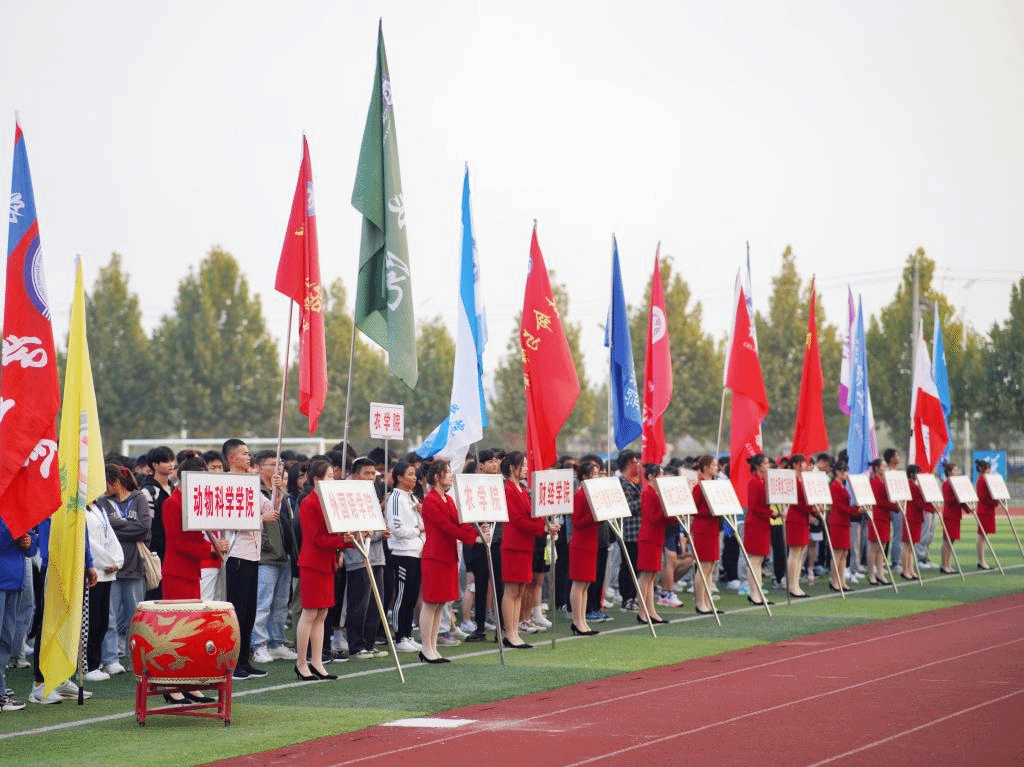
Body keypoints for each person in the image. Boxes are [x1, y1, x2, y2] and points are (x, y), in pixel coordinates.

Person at [161, 452, 229, 703]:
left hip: (191, 570)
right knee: (177, 630)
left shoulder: (191, 501)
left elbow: (196, 538)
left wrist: (212, 546)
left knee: (191, 630)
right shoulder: (173, 503)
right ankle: (172, 685)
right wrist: (209, 548)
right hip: (177, 571)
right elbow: (177, 543)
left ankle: (189, 682)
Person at [419, 460, 484, 662]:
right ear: (436, 476)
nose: (450, 476)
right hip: (435, 556)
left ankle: (432, 646)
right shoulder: (430, 500)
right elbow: (447, 527)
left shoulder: (447, 499)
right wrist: (473, 538)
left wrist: (477, 532)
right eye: (446, 472)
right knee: (431, 603)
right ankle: (426, 647)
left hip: (447, 555)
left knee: (440, 603)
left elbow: (458, 523)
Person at [295, 460, 352, 681]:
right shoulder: (309, 503)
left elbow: (334, 534)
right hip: (312, 563)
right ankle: (301, 663)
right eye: (329, 476)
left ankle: (317, 662)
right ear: (316, 479)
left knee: (322, 613)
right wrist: (343, 540)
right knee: (310, 612)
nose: (332, 479)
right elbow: (316, 538)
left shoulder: (329, 501)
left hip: (327, 562)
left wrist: (349, 539)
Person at [222, 438, 271, 680]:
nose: (248, 457)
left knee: (250, 611)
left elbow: (269, 508)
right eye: (243, 453)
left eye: (248, 453)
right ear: (231, 458)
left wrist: (275, 488)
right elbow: (231, 520)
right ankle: (232, 663)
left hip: (253, 553)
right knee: (238, 610)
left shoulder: (251, 482)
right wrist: (260, 519)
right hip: (237, 552)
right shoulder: (226, 483)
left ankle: (244, 659)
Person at [98, 464, 152, 676]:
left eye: (105, 482)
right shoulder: (102, 501)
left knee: (135, 618)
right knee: (109, 618)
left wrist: (115, 526)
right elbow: (102, 528)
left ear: (116, 482)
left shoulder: (138, 498)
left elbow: (144, 528)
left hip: (134, 567)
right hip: (109, 568)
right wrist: (128, 526)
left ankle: (135, 659)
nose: (102, 487)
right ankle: (110, 659)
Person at [252, 450, 298, 665]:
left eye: (280, 464)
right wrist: (265, 545)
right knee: (263, 602)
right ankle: (258, 644)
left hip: (284, 554)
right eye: (272, 464)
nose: (278, 467)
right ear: (260, 468)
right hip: (267, 555)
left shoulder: (282, 492)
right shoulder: (255, 490)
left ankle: (276, 641)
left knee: (280, 602)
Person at [500, 452, 551, 648]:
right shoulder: (508, 489)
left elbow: (532, 515)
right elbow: (517, 519)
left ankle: (515, 631)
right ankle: (510, 632)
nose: (526, 469)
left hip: (525, 544)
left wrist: (546, 526)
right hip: (513, 544)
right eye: (522, 466)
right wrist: (541, 528)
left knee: (521, 590)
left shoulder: (521, 489)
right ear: (512, 468)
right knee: (512, 590)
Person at [344, 457, 390, 660]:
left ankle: (369, 643)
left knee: (375, 603)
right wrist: (376, 533)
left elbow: (377, 527)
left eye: (373, 474)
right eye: (367, 473)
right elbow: (354, 532)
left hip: (377, 556)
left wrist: (381, 532)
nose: (371, 477)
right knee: (359, 604)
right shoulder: (347, 498)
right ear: (355, 475)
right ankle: (356, 645)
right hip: (358, 557)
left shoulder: (372, 496)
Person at [83, 493, 124, 682]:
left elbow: (111, 538)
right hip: (93, 571)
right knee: (90, 621)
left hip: (107, 572)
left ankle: (96, 661)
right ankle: (88, 665)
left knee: (102, 620)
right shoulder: (81, 509)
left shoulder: (99, 508)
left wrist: (117, 561)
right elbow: (88, 543)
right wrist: (107, 561)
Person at [386, 461, 424, 654]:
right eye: (409, 474)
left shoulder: (412, 497)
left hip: (416, 551)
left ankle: (407, 634)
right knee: (402, 595)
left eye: (414, 474)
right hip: (402, 552)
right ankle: (400, 636)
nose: (413, 478)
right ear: (399, 477)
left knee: (412, 595)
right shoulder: (395, 498)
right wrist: (418, 530)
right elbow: (396, 528)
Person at [0, 517, 37, 712]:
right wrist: (14, 532)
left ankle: (1, 689)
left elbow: (32, 549)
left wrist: (28, 542)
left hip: (15, 580)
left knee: (6, 639)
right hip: (5, 579)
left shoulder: (18, 511)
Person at [569, 460, 601, 635]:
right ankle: (577, 620)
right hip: (581, 543)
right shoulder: (580, 494)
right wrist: (593, 515)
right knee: (579, 582)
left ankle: (582, 620)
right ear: (586, 476)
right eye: (594, 474)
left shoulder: (590, 494)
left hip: (590, 541)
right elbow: (576, 521)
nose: (596, 477)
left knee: (586, 583)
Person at [636, 464, 670, 624]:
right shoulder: (647, 493)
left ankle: (651, 611)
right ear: (651, 476)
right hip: (648, 538)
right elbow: (653, 517)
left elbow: (662, 519)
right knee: (646, 576)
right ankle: (642, 612)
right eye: (660, 475)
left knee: (651, 576)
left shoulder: (655, 493)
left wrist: (674, 516)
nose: (662, 478)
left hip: (656, 537)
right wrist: (666, 508)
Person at [140, 445, 175, 599]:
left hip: (173, 549)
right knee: (155, 594)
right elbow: (147, 525)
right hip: (156, 551)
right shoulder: (148, 492)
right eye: (166, 461)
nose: (171, 464)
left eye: (172, 460)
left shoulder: (174, 489)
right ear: (155, 465)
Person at [690, 455, 722, 615]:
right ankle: (700, 602)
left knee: (711, 566)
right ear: (706, 468)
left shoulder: (714, 485)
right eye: (713, 465)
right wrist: (710, 510)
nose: (716, 468)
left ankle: (708, 601)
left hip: (713, 527)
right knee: (703, 566)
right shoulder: (699, 486)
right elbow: (692, 508)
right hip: (703, 528)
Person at [743, 453, 775, 605]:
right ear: (757, 466)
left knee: (759, 560)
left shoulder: (763, 481)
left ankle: (758, 592)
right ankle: (754, 593)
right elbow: (754, 507)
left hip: (762, 523)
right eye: (765, 463)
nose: (768, 466)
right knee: (755, 560)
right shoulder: (754, 482)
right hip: (755, 524)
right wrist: (771, 513)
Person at [615, 451, 643, 612]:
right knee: (628, 565)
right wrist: (643, 498)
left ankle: (633, 596)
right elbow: (628, 507)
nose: (638, 465)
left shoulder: (635, 482)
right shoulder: (622, 483)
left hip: (638, 530)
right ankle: (627, 598)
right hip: (628, 531)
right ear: (629, 464)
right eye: (635, 462)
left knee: (636, 566)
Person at [785, 454, 815, 598]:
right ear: (796, 464)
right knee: (794, 552)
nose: (805, 465)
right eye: (803, 463)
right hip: (795, 517)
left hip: (802, 518)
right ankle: (792, 585)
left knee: (800, 552)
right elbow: (797, 501)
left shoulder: (801, 479)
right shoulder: (793, 480)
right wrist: (812, 509)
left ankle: (796, 584)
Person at [827, 462, 858, 591]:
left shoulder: (842, 486)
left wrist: (855, 509)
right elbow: (839, 506)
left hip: (844, 521)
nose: (846, 474)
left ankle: (842, 581)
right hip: (837, 521)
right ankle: (835, 581)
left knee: (844, 552)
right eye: (844, 471)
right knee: (837, 552)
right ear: (837, 472)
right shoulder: (834, 487)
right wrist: (855, 511)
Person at [900, 465, 931, 580]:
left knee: (911, 545)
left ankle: (910, 569)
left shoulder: (913, 485)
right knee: (907, 545)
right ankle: (906, 570)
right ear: (912, 474)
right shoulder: (912, 486)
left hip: (914, 517)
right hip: (911, 517)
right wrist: (932, 508)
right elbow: (920, 502)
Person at [867, 459, 894, 585]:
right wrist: (895, 506)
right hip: (877, 517)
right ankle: (871, 574)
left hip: (884, 517)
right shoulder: (875, 482)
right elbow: (879, 501)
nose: (885, 468)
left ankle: (880, 573)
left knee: (882, 546)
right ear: (877, 468)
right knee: (874, 547)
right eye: (883, 466)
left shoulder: (882, 481)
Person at [940, 461, 968, 573]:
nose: (957, 472)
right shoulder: (946, 483)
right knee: (947, 540)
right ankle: (944, 565)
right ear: (949, 472)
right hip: (949, 514)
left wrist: (968, 508)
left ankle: (948, 564)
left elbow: (961, 500)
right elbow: (948, 499)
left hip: (955, 514)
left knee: (951, 541)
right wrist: (959, 496)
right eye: (955, 470)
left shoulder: (955, 483)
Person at [975, 460, 998, 570]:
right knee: (981, 535)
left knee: (983, 535)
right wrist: (994, 502)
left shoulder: (985, 479)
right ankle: (981, 562)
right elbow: (983, 497)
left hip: (988, 509)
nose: (989, 470)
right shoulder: (981, 480)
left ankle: (982, 561)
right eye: (987, 468)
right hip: (984, 509)